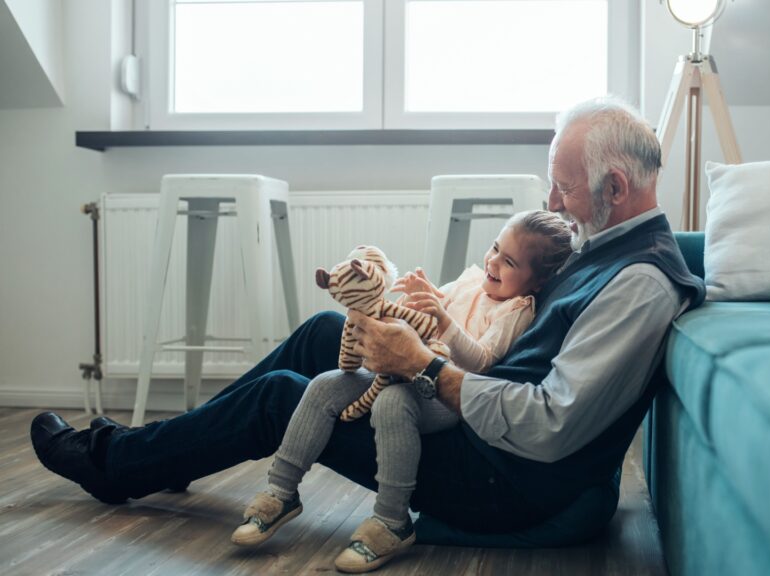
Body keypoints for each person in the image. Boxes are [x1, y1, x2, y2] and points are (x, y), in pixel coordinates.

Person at [30, 96, 706, 572]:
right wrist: (430, 326)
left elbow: (551, 426)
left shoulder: (638, 284)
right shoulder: (606, 244)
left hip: (506, 481)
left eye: (561, 188)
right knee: (327, 329)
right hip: (478, 427)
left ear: (615, 186)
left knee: (285, 396)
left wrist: (427, 368)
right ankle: (165, 455)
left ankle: (112, 466)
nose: (551, 203)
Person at [230, 210, 572, 572]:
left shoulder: (516, 310)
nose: (493, 262)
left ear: (536, 282)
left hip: (444, 394)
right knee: (323, 386)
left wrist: (443, 319)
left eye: (510, 262)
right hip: (403, 370)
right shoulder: (473, 279)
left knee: (392, 404)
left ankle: (392, 521)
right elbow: (431, 309)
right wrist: (420, 296)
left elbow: (482, 362)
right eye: (495, 248)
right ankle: (280, 493)